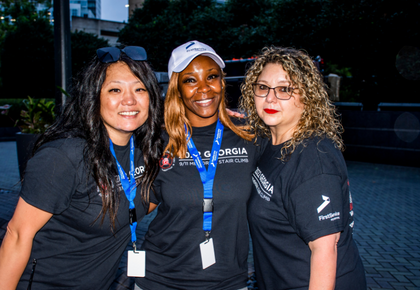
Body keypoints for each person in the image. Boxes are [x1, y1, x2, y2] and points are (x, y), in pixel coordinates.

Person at [0, 46, 164, 289]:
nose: (129, 100)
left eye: (139, 89)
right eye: (115, 89)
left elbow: (143, 199)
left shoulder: (146, 151)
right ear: (94, 97)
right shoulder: (64, 156)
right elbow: (16, 235)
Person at [134, 40, 264, 290]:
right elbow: (139, 204)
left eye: (212, 76)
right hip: (159, 279)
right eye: (190, 80)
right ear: (177, 88)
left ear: (222, 82)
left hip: (228, 282)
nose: (203, 89)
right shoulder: (158, 142)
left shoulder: (250, 137)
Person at [239, 46, 367, 290]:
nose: (270, 98)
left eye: (285, 89)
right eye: (263, 87)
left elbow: (324, 250)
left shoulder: (312, 158)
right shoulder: (272, 140)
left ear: (307, 97)